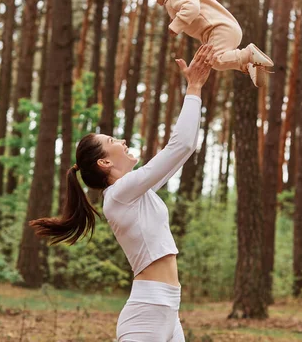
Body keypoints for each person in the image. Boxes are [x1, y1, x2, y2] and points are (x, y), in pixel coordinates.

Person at [29, 44, 217, 341]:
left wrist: (197, 89)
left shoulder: (136, 193)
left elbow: (187, 147)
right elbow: (178, 146)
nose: (123, 140)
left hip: (167, 307)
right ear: (104, 162)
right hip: (148, 310)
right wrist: (192, 87)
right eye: (113, 139)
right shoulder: (119, 195)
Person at [141, 0, 273, 88]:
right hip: (222, 29)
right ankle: (249, 65)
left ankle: (248, 54)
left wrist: (176, 25)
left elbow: (192, 8)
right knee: (216, 60)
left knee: (215, 60)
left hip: (220, 29)